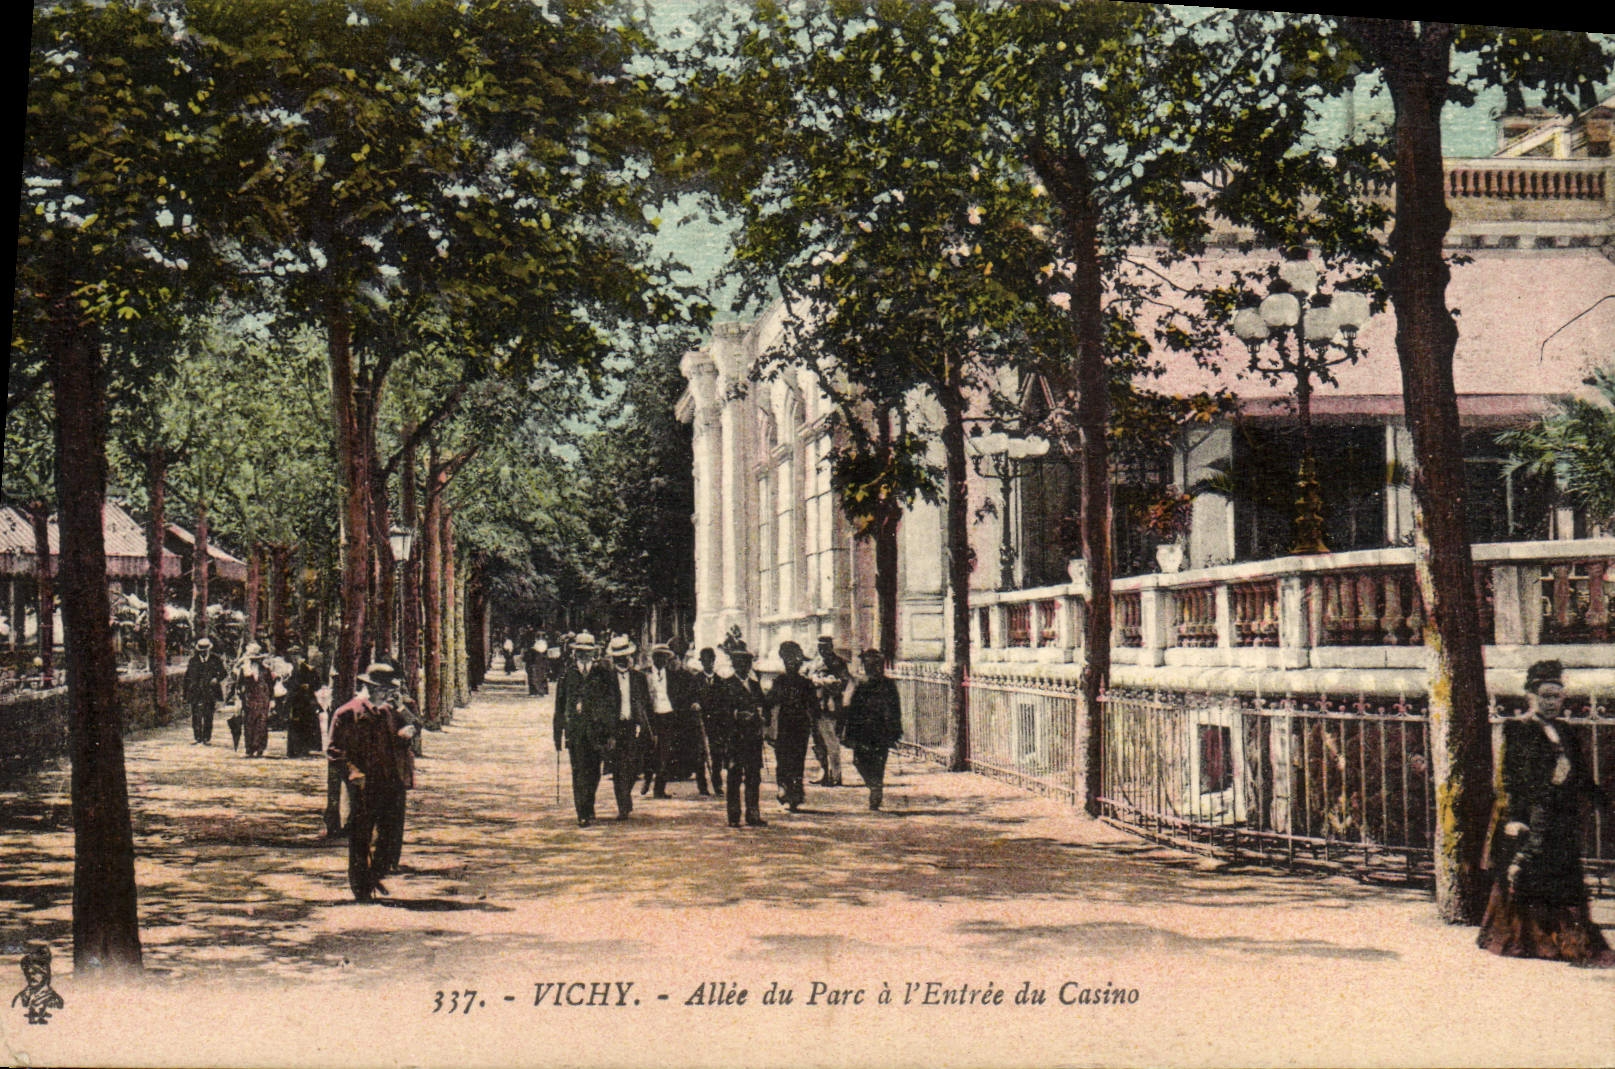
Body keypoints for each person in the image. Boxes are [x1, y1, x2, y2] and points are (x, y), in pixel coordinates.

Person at [1478, 660, 1614, 966]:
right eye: (1545, 696)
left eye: (1556, 696)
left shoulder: (1565, 730)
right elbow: (1512, 778)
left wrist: (1601, 801)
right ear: (1530, 696)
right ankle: (1526, 940)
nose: (1551, 702)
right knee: (1529, 873)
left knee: (1564, 879)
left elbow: (1580, 776)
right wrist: (1516, 817)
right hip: (1533, 814)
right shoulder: (1519, 730)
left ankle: (1565, 941)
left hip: (1562, 817)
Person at [327, 662, 418, 902]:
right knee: (360, 838)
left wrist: (403, 737)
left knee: (389, 839)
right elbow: (334, 751)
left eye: (389, 690)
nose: (387, 694)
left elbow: (412, 727)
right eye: (383, 689)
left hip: (390, 783)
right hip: (363, 786)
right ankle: (362, 889)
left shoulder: (389, 712)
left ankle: (375, 874)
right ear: (368, 687)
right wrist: (354, 774)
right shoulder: (347, 713)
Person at [588, 635, 654, 820]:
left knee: (634, 767)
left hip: (634, 726)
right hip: (614, 728)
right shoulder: (606, 679)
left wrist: (648, 725)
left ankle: (625, 796)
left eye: (625, 656)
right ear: (614, 658)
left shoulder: (638, 678)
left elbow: (646, 703)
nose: (623, 659)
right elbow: (601, 706)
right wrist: (607, 732)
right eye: (619, 657)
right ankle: (623, 805)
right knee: (618, 769)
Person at [842, 650, 904, 811]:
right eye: (870, 665)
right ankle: (874, 784)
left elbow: (895, 709)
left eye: (877, 665)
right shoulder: (859, 683)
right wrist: (847, 732)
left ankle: (876, 788)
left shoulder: (888, 685)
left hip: (881, 729)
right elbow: (849, 708)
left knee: (879, 761)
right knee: (858, 761)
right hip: (862, 730)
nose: (875, 668)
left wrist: (896, 730)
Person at [554, 633, 604, 826]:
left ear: (593, 653)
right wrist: (557, 735)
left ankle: (589, 804)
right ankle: (582, 812)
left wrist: (607, 729)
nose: (584, 655)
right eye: (580, 652)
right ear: (575, 653)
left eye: (587, 652)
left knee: (594, 772)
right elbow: (559, 707)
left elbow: (610, 704)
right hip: (575, 732)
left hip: (597, 732)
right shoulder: (567, 676)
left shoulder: (602, 674)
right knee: (579, 771)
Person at [716, 639, 767, 828]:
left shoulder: (755, 684)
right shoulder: (726, 684)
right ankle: (734, 815)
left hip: (753, 738)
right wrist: (736, 714)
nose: (743, 667)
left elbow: (763, 705)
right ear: (734, 665)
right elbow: (719, 712)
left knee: (753, 776)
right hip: (734, 738)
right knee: (734, 776)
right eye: (739, 663)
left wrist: (761, 715)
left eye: (747, 663)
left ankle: (753, 813)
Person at [767, 640, 818, 813]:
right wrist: (769, 727)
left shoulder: (806, 684)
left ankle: (794, 793)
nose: (792, 665)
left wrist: (814, 725)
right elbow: (770, 704)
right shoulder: (779, 682)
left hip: (800, 727)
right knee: (783, 760)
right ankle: (784, 788)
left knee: (797, 760)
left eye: (795, 662)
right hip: (784, 726)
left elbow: (814, 707)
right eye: (788, 661)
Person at [808, 635, 851, 786]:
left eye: (825, 647)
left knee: (831, 742)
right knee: (818, 742)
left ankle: (836, 774)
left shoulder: (838, 663)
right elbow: (808, 678)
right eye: (819, 647)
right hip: (815, 706)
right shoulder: (815, 662)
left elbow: (844, 682)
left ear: (831, 647)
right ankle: (824, 771)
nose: (822, 650)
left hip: (830, 707)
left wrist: (826, 682)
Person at [645, 643, 680, 797]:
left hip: (667, 716)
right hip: (650, 716)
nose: (662, 660)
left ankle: (659, 788)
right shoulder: (644, 674)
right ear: (653, 658)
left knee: (665, 752)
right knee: (648, 750)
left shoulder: (673, 676)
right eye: (658, 657)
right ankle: (647, 778)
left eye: (664, 657)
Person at [691, 646, 726, 796]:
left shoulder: (720, 681)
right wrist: (694, 703)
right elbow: (689, 697)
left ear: (713, 661)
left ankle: (717, 784)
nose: (707, 663)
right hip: (700, 722)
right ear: (701, 662)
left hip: (716, 723)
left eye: (710, 660)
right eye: (704, 661)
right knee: (700, 754)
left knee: (717, 754)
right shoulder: (696, 680)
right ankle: (702, 786)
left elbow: (725, 702)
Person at [182, 637, 228, 745]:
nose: (203, 653)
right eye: (201, 651)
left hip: (210, 691)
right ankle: (197, 737)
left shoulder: (215, 659)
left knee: (208, 715)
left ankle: (206, 738)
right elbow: (187, 678)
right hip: (196, 691)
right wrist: (185, 694)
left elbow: (224, 673)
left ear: (209, 650)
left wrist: (216, 679)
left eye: (205, 651)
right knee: (196, 715)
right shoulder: (193, 661)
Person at [285, 645, 325, 758]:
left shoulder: (309, 669)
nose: (294, 659)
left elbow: (317, 684)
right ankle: (293, 749)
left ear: (300, 656)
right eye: (292, 656)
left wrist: (309, 686)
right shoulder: (290, 670)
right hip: (294, 700)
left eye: (296, 656)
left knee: (306, 724)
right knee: (294, 724)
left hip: (306, 700)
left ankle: (305, 748)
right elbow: (287, 685)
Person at [236, 645, 275, 758]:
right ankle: (249, 749)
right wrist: (239, 698)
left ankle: (260, 748)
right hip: (249, 700)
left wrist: (272, 700)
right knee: (249, 724)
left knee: (262, 724)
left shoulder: (266, 670)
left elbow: (271, 686)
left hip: (263, 699)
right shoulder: (244, 670)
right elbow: (239, 686)